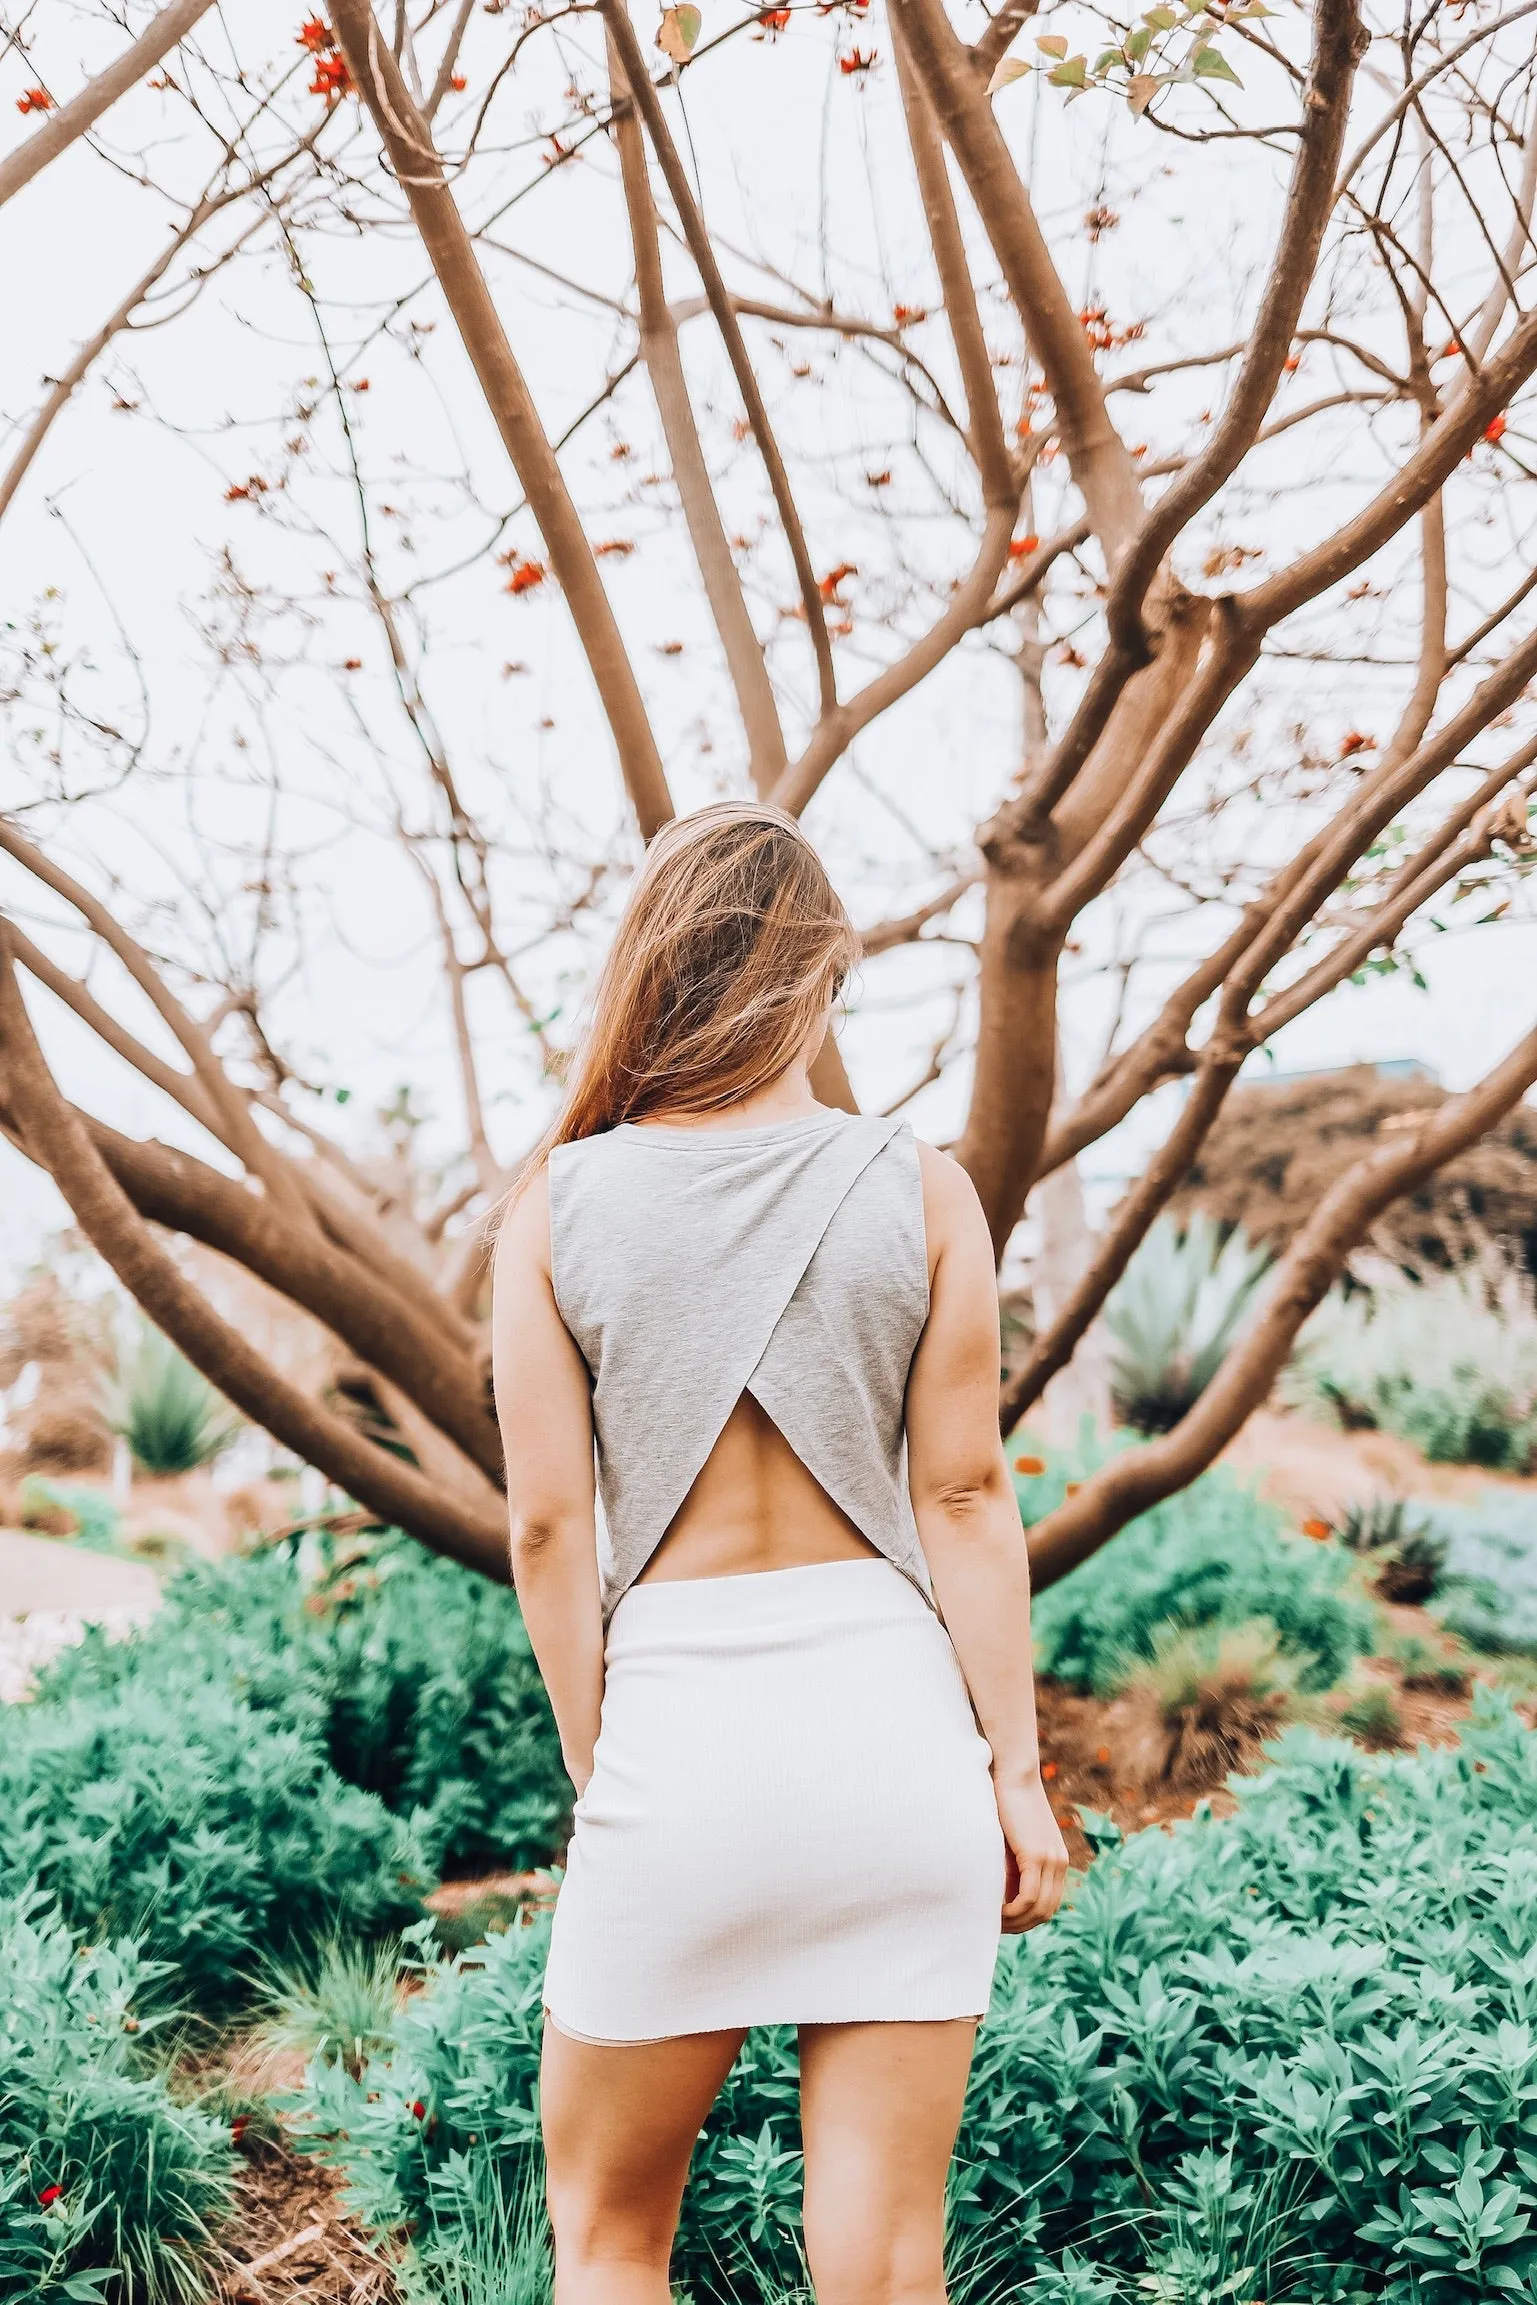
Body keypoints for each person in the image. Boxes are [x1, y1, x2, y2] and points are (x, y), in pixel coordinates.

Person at [491, 800, 1067, 2305]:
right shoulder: (922, 1187)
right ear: (823, 973)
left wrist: (596, 1758)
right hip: (897, 1757)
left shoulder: (556, 1206)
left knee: (612, 2245)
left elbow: (549, 1526)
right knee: (882, 2268)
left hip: (681, 1750)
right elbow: (963, 1498)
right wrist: (1014, 1768)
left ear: (649, 970)